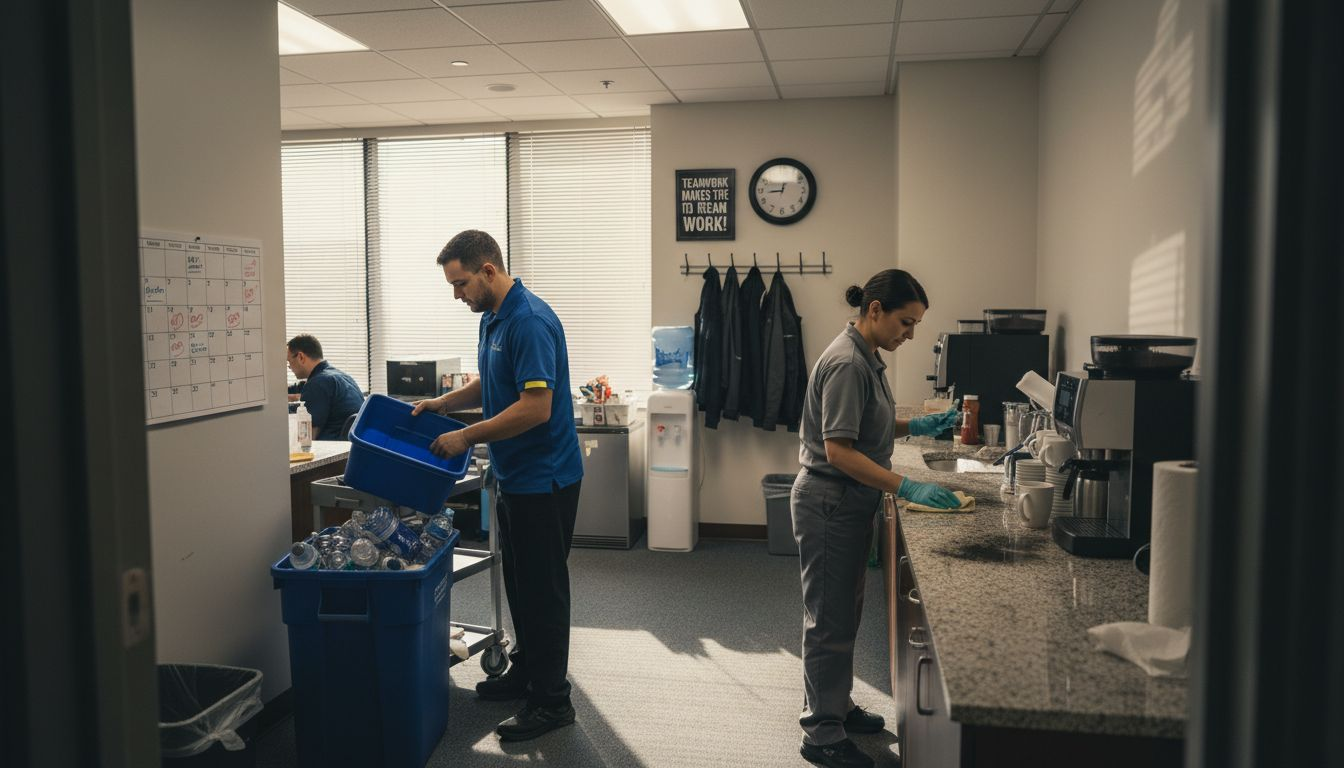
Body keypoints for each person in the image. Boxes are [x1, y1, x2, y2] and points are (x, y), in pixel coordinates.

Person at [411, 230, 583, 742]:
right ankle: (529, 672)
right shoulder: (493, 318)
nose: (457, 295)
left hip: (545, 479)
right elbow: (492, 381)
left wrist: (464, 434)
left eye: (461, 283)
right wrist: (445, 405)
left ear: (489, 271)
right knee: (521, 586)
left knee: (543, 591)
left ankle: (553, 703)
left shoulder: (528, 320)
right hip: (513, 476)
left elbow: (536, 407)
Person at [792, 269, 962, 768]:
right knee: (828, 619)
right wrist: (906, 486)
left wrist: (918, 424)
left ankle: (836, 705)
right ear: (875, 311)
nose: (910, 334)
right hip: (832, 500)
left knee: (844, 611)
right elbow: (839, 451)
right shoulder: (848, 363)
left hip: (849, 501)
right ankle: (820, 732)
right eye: (906, 323)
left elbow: (870, 423)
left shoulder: (867, 357)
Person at [285, 334, 364, 439]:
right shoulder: (340, 377)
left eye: (289, 362)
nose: (290, 367)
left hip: (331, 448)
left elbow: (306, 438)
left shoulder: (318, 383)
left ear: (301, 357)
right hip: (348, 449)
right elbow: (295, 388)